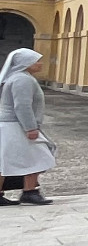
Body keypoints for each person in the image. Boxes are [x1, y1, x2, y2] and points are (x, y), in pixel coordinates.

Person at [0, 48, 55, 205]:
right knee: (39, 156)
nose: (40, 64)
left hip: (10, 125)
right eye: (37, 61)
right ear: (27, 63)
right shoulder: (22, 79)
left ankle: (29, 191)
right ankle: (30, 191)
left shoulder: (19, 77)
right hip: (15, 126)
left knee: (6, 160)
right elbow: (22, 106)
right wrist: (30, 128)